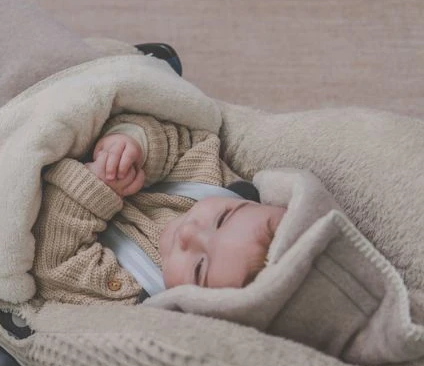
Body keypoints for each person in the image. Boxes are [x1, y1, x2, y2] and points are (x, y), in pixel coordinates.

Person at [32, 113, 286, 305]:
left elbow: (55, 266)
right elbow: (181, 141)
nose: (189, 233)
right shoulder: (212, 184)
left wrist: (93, 187)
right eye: (222, 219)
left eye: (199, 267)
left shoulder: (132, 291)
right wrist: (132, 147)